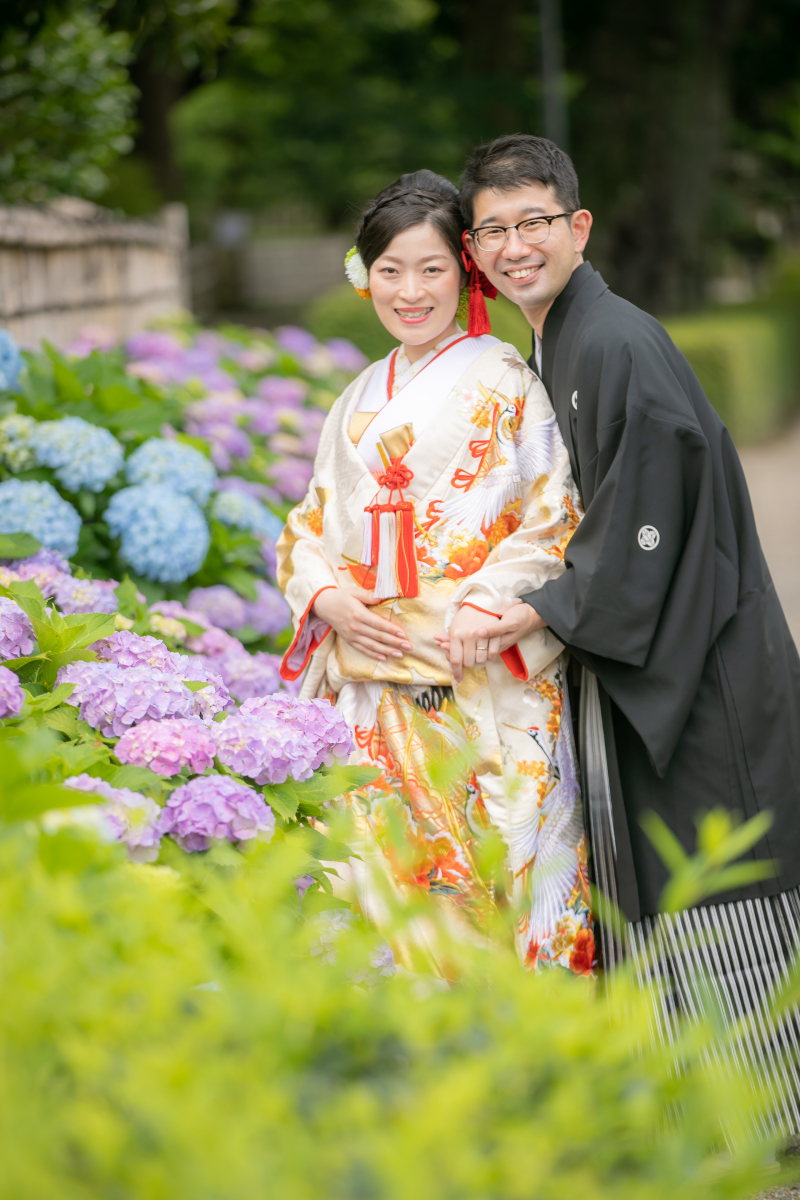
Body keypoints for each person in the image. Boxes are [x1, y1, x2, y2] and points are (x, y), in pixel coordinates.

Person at [452, 133, 800, 1128]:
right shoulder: (562, 335)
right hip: (671, 648)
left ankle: (757, 1111)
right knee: (682, 870)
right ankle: (720, 1104)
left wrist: (542, 605)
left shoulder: (609, 341)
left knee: (720, 871)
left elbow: (644, 516)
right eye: (495, 231)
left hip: (704, 663)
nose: (516, 246)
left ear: (576, 227)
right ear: (474, 250)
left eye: (534, 223)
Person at [276, 169, 595, 975]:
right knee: (382, 899)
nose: (410, 291)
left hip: (476, 672)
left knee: (497, 884)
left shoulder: (507, 381)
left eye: (431, 270)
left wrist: (485, 603)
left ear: (465, 272)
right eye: (390, 270)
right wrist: (326, 596)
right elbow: (308, 523)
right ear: (365, 276)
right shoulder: (355, 397)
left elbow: (553, 516)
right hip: (371, 685)